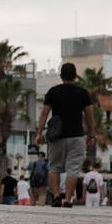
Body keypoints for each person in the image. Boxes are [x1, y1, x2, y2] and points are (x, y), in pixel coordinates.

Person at [35, 62, 98, 207]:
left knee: (54, 167)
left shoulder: (53, 92)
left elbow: (44, 113)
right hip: (76, 136)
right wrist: (91, 135)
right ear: (75, 76)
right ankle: (68, 199)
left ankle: (56, 195)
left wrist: (39, 133)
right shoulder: (82, 93)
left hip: (56, 136)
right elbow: (89, 116)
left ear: (61, 76)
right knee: (73, 169)